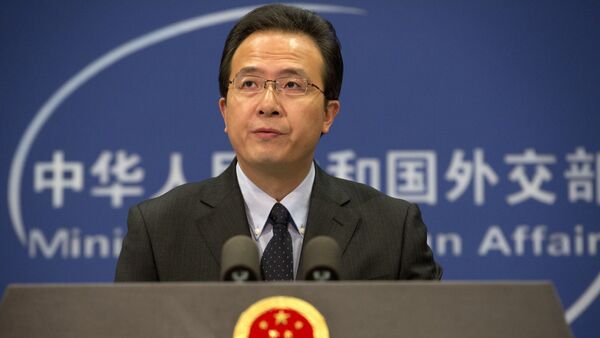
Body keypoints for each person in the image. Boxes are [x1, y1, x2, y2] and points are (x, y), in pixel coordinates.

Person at [115, 4, 442, 281]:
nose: (267, 103)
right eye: (249, 83)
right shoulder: (158, 229)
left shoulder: (393, 230)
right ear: (225, 111)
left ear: (329, 114)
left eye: (292, 84)